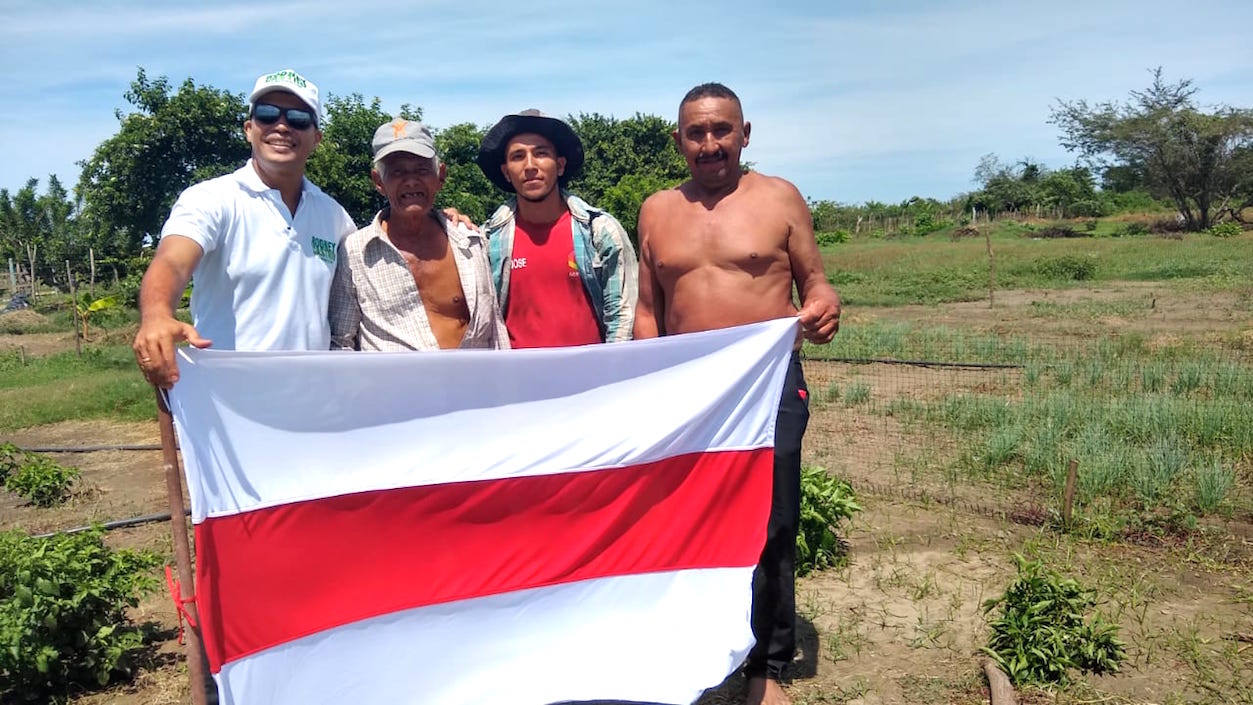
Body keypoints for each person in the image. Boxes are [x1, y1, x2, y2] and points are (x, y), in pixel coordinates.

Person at [633, 83, 841, 705]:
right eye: (696, 133)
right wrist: (648, 381)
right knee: (684, 518)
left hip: (765, 385)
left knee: (771, 521)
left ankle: (767, 666)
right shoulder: (656, 210)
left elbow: (817, 284)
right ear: (679, 141)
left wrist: (826, 308)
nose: (710, 143)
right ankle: (693, 643)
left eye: (722, 130)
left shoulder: (779, 198)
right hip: (686, 389)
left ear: (745, 134)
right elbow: (649, 308)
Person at [132, 68, 356, 388]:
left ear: (316, 138)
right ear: (249, 129)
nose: (281, 126)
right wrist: (156, 314)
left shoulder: (334, 217)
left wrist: (443, 222)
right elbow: (172, 261)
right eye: (267, 114)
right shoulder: (212, 199)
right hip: (229, 401)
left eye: (298, 118)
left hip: (313, 398)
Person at [329, 117, 508, 351]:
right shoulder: (354, 252)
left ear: (440, 176)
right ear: (378, 181)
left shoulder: (471, 241)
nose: (411, 181)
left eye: (422, 170)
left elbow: (495, 326)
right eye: (397, 172)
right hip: (394, 387)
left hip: (474, 384)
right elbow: (341, 341)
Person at [475, 109, 637, 348]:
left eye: (541, 153)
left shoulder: (598, 231)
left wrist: (613, 372)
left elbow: (622, 316)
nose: (530, 166)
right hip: (517, 381)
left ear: (560, 165)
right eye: (518, 156)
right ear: (506, 172)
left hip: (591, 380)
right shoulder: (488, 240)